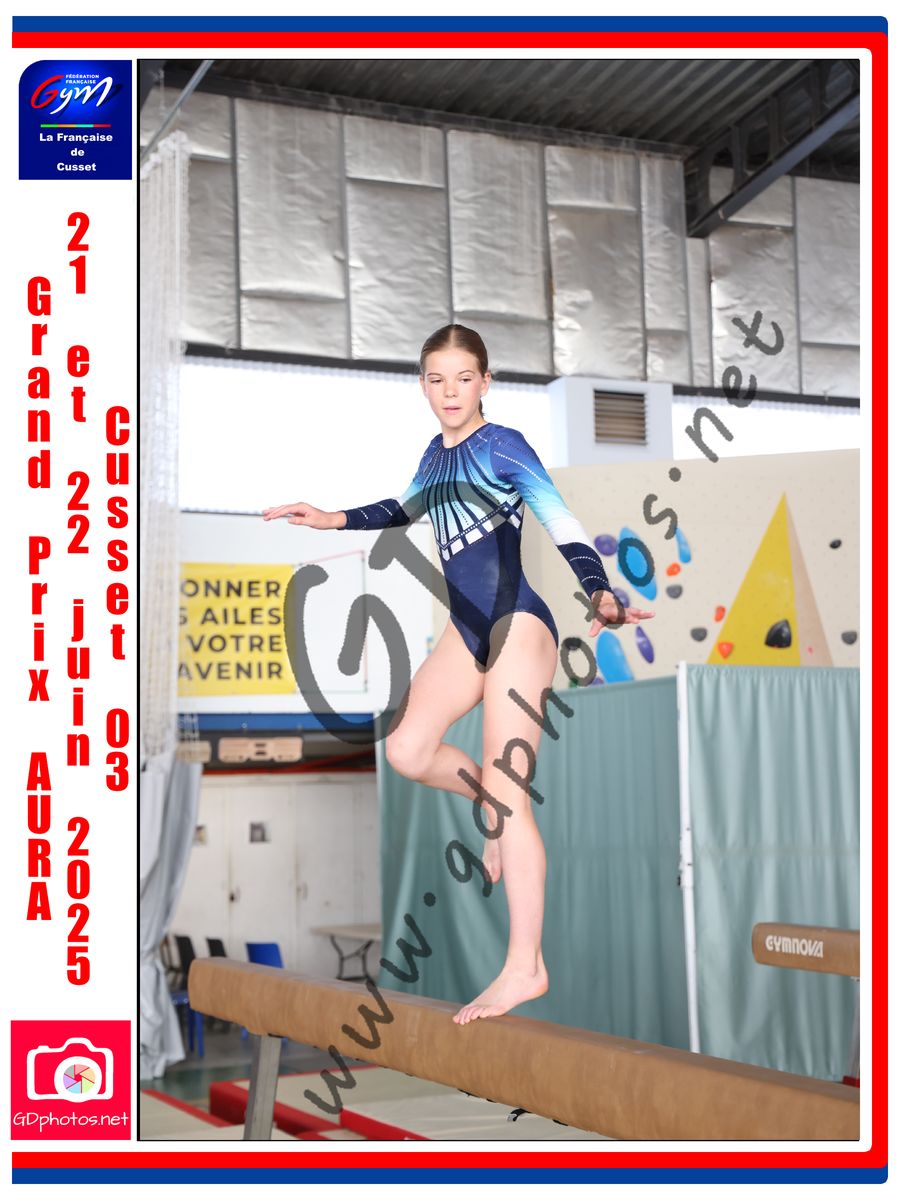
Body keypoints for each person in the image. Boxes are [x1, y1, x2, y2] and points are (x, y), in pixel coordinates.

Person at [263, 323, 654, 1025]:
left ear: (485, 382)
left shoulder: (503, 445)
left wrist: (598, 590)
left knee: (513, 800)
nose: (450, 392)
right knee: (407, 750)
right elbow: (403, 509)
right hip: (465, 629)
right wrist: (330, 518)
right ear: (422, 385)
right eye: (437, 379)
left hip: (517, 626)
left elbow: (560, 522)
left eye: (464, 378)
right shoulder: (433, 455)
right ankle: (490, 807)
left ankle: (525, 965)